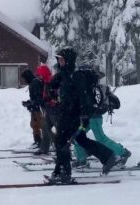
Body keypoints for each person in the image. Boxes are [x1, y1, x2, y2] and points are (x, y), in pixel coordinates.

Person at [49, 47, 118, 183]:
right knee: (80, 140)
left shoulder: (76, 75)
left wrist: (85, 116)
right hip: (66, 114)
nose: (60, 61)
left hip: (72, 116)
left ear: (68, 60)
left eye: (62, 59)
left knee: (61, 141)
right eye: (59, 59)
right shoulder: (64, 74)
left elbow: (84, 96)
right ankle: (108, 156)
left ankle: (63, 172)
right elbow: (54, 87)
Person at [72, 68, 131, 168]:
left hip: (93, 117)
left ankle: (123, 153)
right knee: (77, 137)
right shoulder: (89, 87)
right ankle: (81, 160)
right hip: (89, 117)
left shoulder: (89, 88)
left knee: (100, 138)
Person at [34, 65, 59, 155]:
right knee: (45, 129)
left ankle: (62, 149)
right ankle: (44, 149)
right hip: (47, 109)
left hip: (54, 110)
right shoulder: (45, 81)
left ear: (44, 73)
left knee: (60, 130)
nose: (38, 76)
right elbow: (45, 95)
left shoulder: (52, 80)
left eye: (40, 74)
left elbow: (56, 95)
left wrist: (49, 99)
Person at [21, 69, 43, 149]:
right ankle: (37, 141)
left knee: (41, 125)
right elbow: (34, 98)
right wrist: (28, 102)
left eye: (24, 78)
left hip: (37, 108)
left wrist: (30, 104)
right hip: (34, 108)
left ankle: (52, 141)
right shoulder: (32, 83)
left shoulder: (35, 83)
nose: (24, 80)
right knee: (34, 125)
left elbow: (38, 97)